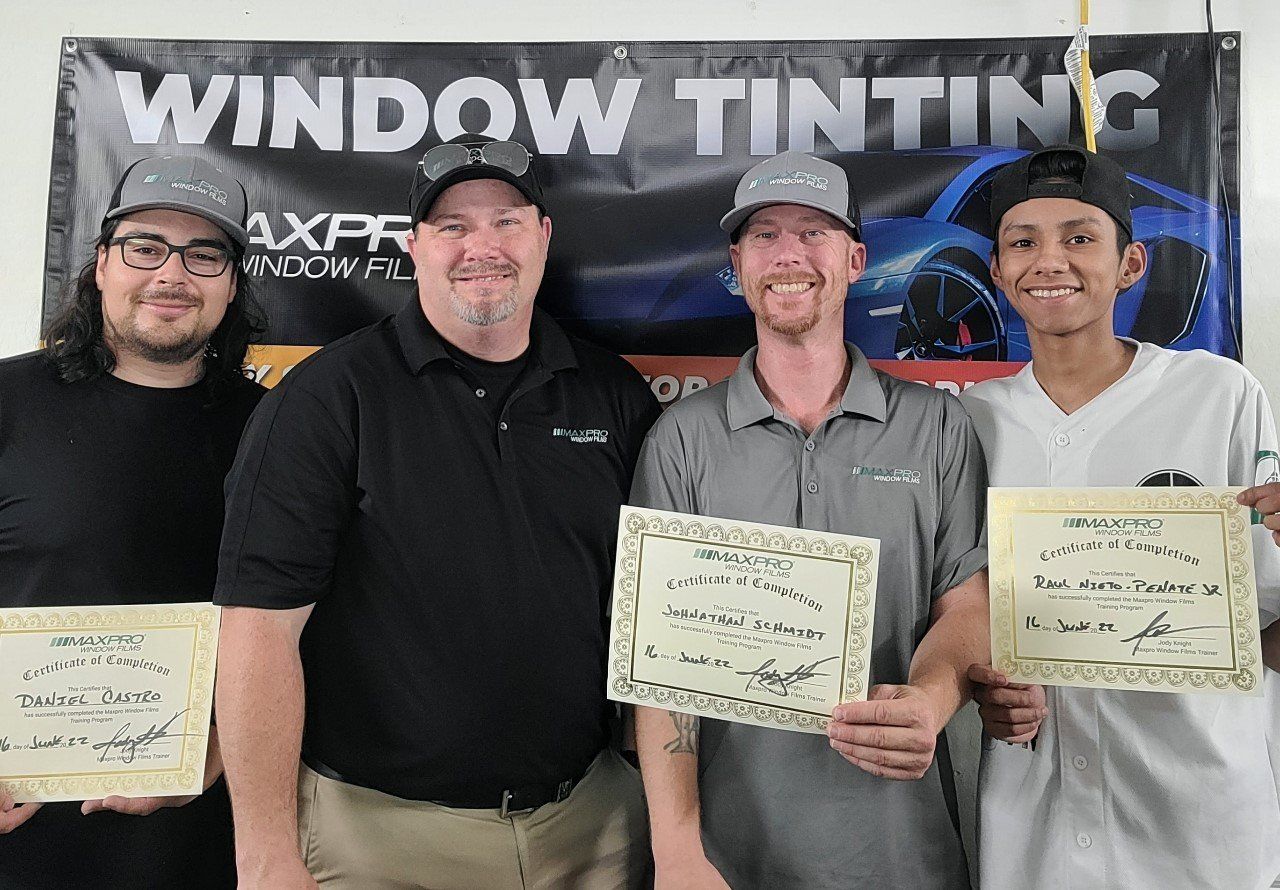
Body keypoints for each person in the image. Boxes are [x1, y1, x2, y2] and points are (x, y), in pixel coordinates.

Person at [213, 133, 660, 889]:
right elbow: (257, 631)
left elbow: (663, 620)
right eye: (452, 226)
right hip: (380, 840)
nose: (482, 246)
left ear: (544, 236)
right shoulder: (327, 399)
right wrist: (264, 855)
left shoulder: (612, 395)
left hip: (591, 827)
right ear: (414, 245)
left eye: (507, 221)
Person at [631, 149, 989, 889]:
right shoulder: (682, 438)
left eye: (813, 232)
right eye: (764, 235)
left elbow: (968, 606)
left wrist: (931, 698)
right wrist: (676, 852)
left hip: (903, 849)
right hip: (729, 855)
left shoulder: (936, 427)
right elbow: (656, 661)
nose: (788, 254)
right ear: (737, 263)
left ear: (855, 259)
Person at [961, 144, 1280, 888]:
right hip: (1032, 829)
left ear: (1130, 264)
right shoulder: (968, 423)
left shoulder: (1219, 395)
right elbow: (959, 615)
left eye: (1080, 237)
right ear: (998, 273)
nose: (1051, 261)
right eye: (1023, 242)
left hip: (1199, 829)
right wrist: (981, 688)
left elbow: (1267, 633)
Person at [0, 155, 266, 888]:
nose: (171, 274)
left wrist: (216, 754)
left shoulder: (276, 432)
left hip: (198, 831)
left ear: (232, 283)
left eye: (204, 254)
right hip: (19, 826)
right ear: (100, 266)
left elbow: (321, 622)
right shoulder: (9, 401)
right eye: (146, 247)